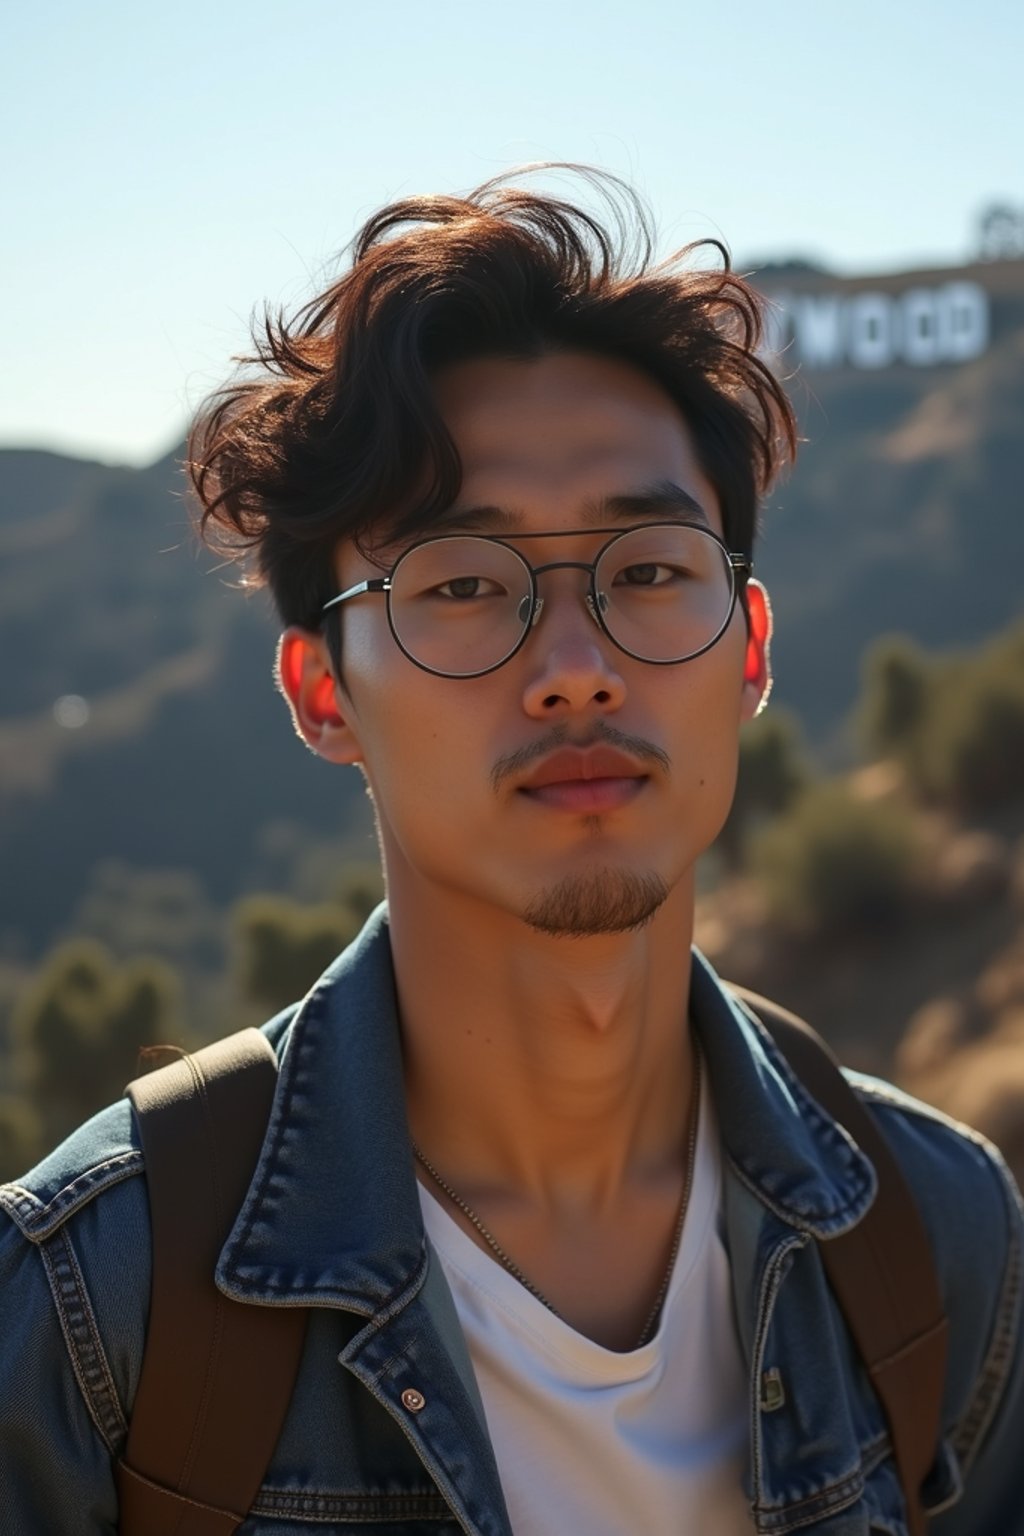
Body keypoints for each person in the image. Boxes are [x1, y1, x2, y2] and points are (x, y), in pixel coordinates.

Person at [1, 170, 1022, 1536]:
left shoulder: (935, 1242)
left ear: (753, 647)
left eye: (651, 568)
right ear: (322, 695)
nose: (576, 673)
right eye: (465, 588)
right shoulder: (96, 1310)